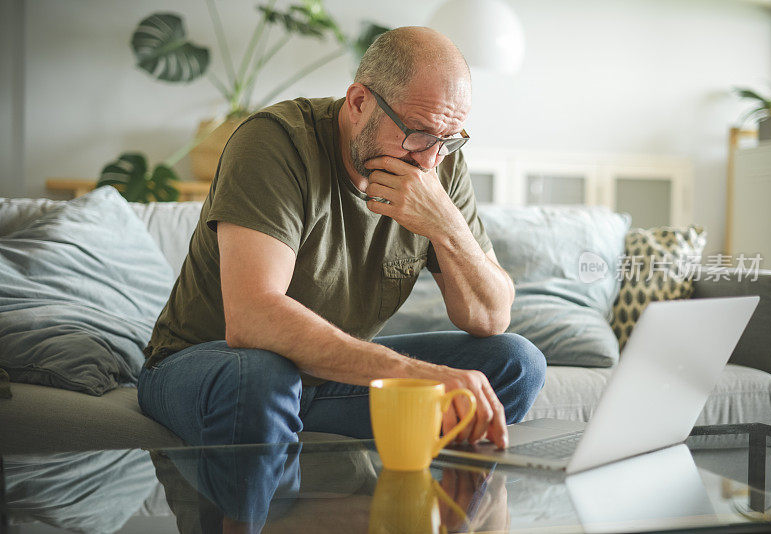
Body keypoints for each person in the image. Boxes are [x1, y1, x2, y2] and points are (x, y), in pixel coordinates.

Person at [138, 26, 546, 452]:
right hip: (209, 365)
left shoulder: (439, 162)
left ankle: (418, 506)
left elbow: (490, 318)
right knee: (260, 376)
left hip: (326, 380)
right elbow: (252, 317)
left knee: (516, 364)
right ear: (358, 102)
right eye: (419, 134)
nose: (429, 160)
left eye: (447, 140)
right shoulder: (274, 142)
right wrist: (411, 375)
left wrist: (447, 225)